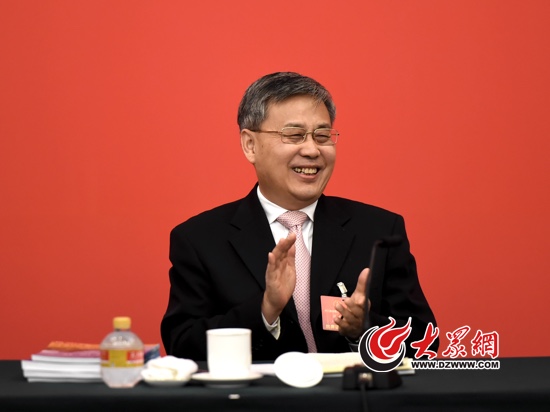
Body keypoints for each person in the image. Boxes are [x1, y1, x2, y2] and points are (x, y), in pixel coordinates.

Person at [161, 72, 437, 361]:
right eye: (294, 135)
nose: (312, 150)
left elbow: (424, 343)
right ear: (250, 145)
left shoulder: (379, 230)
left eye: (322, 136)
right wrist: (266, 311)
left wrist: (364, 329)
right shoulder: (200, 239)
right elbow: (183, 346)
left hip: (351, 390)